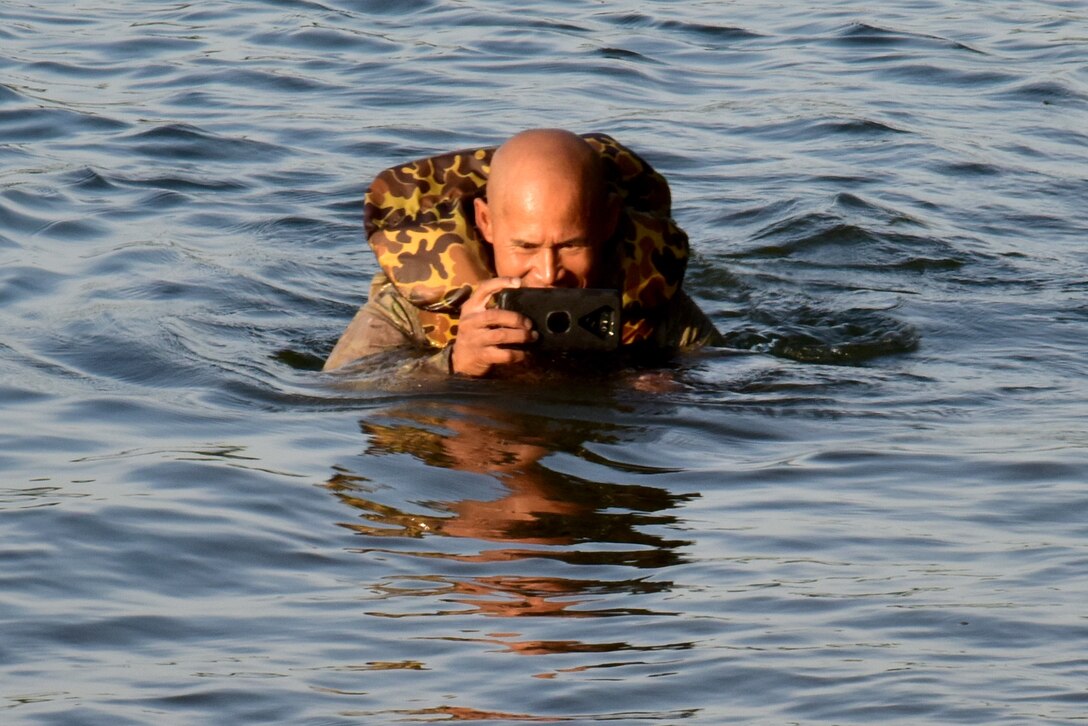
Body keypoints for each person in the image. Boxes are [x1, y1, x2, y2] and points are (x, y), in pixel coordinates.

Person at [324, 128, 719, 376]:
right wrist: (453, 364)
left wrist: (669, 387)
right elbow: (339, 389)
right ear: (486, 223)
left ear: (609, 221)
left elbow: (733, 381)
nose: (548, 272)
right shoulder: (417, 303)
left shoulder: (649, 302)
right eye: (526, 246)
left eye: (571, 245)